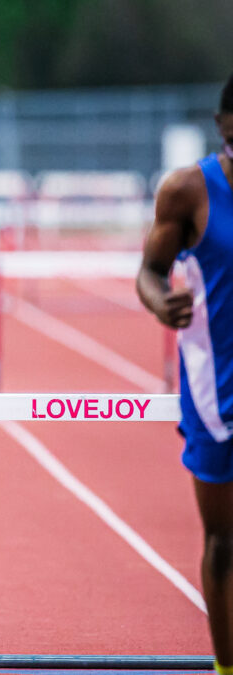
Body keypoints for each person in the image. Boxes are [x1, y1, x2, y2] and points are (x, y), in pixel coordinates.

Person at [137, 73, 233, 674]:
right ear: (227, 125)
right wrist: (159, 301)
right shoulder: (189, 190)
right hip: (216, 391)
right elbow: (149, 270)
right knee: (225, 544)